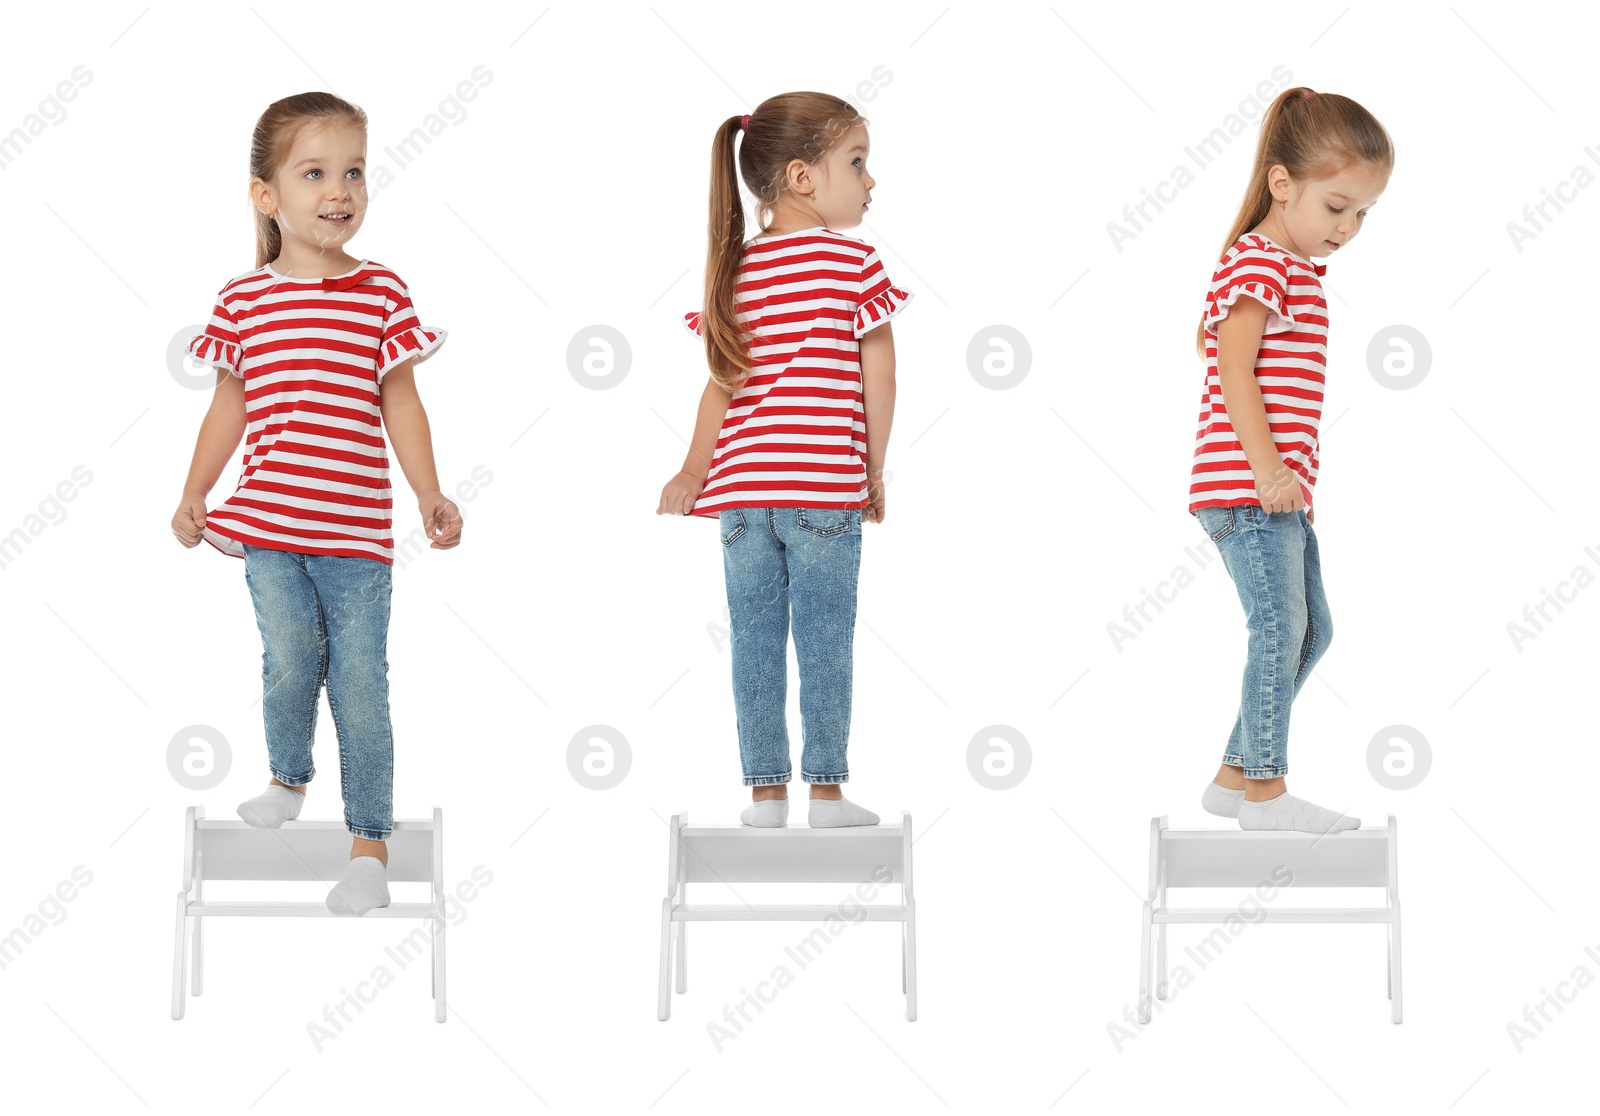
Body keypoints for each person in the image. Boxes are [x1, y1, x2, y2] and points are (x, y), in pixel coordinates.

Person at [171, 91, 462, 911]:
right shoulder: (244, 299)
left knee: (361, 681)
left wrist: (430, 492)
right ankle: (287, 776)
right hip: (268, 526)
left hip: (357, 537)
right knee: (291, 661)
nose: (341, 191)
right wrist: (194, 492)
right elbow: (229, 406)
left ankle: (369, 842)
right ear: (266, 194)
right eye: (316, 173)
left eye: (355, 172)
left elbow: (400, 403)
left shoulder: (380, 294)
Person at [656, 92, 911, 828]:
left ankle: (765, 795)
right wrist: (872, 470)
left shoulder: (733, 272)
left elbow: (720, 386)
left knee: (754, 644)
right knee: (826, 640)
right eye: (857, 162)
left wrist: (691, 472)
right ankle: (826, 792)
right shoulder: (853, 260)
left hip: (742, 498)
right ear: (802, 177)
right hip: (821, 487)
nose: (870, 181)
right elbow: (881, 379)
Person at [1189, 87, 1393, 833]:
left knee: (1313, 631)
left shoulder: (1299, 271)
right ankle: (1266, 795)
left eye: (1364, 213)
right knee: (1279, 631)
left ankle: (1232, 774)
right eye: (1337, 207)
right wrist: (1270, 469)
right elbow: (1235, 370)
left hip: (1279, 492)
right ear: (1283, 185)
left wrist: (1291, 482)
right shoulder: (1259, 262)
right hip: (1249, 488)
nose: (1349, 227)